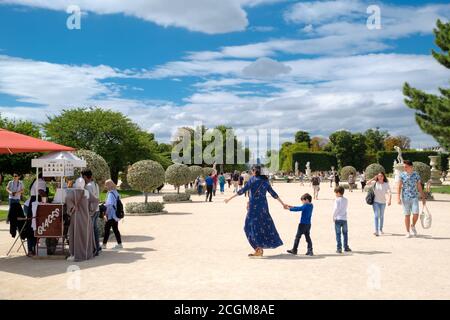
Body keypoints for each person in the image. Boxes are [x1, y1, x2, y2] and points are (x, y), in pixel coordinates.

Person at [225, 165, 286, 257]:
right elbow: (273, 193)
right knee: (264, 225)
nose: (251, 172)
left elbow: (242, 190)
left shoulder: (253, 179)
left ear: (255, 171)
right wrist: (282, 204)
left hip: (254, 207)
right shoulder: (265, 181)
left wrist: (230, 198)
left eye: (252, 170)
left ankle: (258, 249)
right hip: (263, 207)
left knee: (248, 227)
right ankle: (260, 248)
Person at [397, 160, 426, 238]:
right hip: (405, 197)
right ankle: (407, 231)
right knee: (407, 215)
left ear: (411, 167)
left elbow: (419, 186)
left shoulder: (416, 175)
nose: (404, 168)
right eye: (404, 167)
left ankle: (412, 225)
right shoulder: (402, 175)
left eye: (406, 167)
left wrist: (423, 197)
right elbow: (399, 186)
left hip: (414, 197)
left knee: (416, 214)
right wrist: (398, 198)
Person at [24, 173, 47, 257]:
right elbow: (41, 192)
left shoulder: (39, 181)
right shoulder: (41, 181)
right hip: (33, 205)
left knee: (32, 226)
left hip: (31, 204)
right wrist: (46, 200)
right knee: (32, 226)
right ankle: (31, 250)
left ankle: (32, 249)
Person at [82, 169, 101, 255]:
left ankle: (94, 248)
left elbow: (89, 199)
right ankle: (97, 247)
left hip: (92, 210)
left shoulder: (88, 186)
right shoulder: (96, 184)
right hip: (97, 209)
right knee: (95, 230)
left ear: (85, 177)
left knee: (91, 231)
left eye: (83, 177)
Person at [367, 172, 392, 236]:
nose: (380, 177)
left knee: (381, 216)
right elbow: (367, 183)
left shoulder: (386, 184)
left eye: (381, 176)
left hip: (383, 203)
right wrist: (373, 178)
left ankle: (380, 229)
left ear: (383, 177)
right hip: (375, 202)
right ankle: (376, 231)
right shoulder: (375, 183)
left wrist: (389, 200)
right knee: (376, 216)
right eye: (378, 176)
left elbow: (389, 192)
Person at [102, 179, 123, 249]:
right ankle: (119, 244)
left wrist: (105, 214)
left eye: (106, 185)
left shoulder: (110, 194)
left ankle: (104, 245)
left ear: (109, 185)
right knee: (115, 229)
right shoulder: (115, 192)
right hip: (115, 215)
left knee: (107, 230)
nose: (105, 186)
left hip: (111, 215)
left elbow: (109, 205)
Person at [333, 186, 351, 254]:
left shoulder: (337, 200)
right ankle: (346, 247)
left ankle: (339, 248)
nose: (335, 194)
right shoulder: (346, 200)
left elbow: (336, 209)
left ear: (338, 193)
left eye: (335, 193)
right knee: (345, 233)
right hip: (344, 219)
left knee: (338, 234)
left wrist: (333, 216)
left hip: (338, 218)